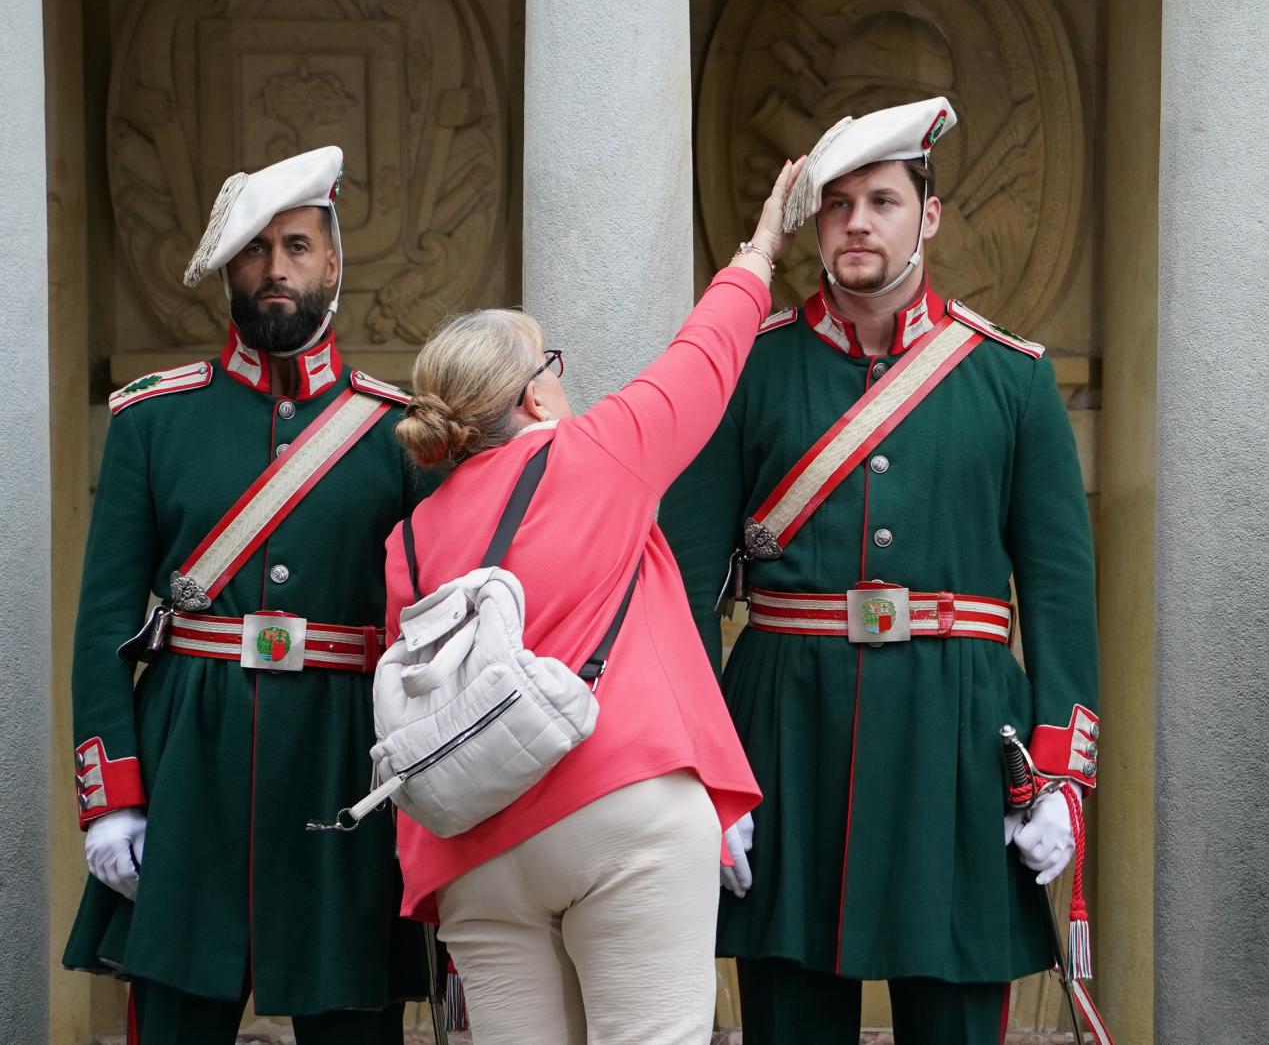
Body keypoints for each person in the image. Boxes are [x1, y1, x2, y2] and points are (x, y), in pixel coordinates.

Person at [658, 97, 1102, 1044]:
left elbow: (1060, 594)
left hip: (963, 743)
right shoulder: (749, 370)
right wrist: (708, 775)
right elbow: (686, 588)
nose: (857, 221)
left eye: (884, 201)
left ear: (928, 216)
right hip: (786, 739)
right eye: (838, 203)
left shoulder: (1013, 379)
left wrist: (1062, 772)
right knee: (788, 1016)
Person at [383, 158, 804, 1045]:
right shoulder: (596, 455)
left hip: (473, 848)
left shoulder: (410, 537)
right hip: (623, 805)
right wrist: (762, 249)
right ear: (536, 390)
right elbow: (706, 354)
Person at [63, 146, 436, 1043]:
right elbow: (105, 622)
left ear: (334, 260)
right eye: (257, 250)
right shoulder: (153, 419)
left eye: (299, 246)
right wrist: (111, 794)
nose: (277, 269)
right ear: (229, 268)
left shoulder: (400, 433)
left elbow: (431, 633)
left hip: (345, 758)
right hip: (188, 759)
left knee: (353, 1020)